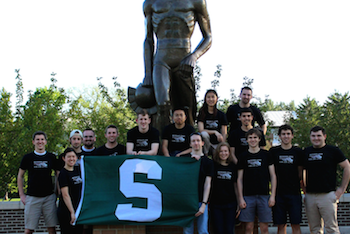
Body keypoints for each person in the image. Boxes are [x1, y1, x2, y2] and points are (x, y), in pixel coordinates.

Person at [138, 0, 212, 130]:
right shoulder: (150, 3)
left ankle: (190, 141)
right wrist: (148, 74)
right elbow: (148, 40)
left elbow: (208, 37)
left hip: (184, 58)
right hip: (161, 58)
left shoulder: (196, 2)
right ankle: (163, 144)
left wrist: (194, 56)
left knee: (187, 108)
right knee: (162, 104)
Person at [303, 126, 350, 234]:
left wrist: (341, 189)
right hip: (310, 196)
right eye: (313, 136)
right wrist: (304, 188)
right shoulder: (306, 151)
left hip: (328, 195)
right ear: (310, 137)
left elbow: (347, 167)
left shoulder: (333, 151)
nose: (316, 138)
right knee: (314, 229)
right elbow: (302, 171)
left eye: (319, 136)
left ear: (324, 136)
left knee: (331, 229)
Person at [17, 131, 59, 234]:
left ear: (45, 141)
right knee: (28, 230)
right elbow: (20, 176)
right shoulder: (28, 158)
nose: (40, 142)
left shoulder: (51, 157)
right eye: (37, 140)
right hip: (32, 197)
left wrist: (57, 192)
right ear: (33, 142)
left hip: (49, 198)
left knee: (52, 229)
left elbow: (58, 174)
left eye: (42, 139)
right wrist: (22, 195)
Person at [237, 128, 276, 234]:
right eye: (250, 138)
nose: (252, 140)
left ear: (259, 139)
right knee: (249, 228)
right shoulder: (242, 156)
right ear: (247, 140)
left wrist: (272, 196)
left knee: (264, 228)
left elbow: (273, 176)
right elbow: (239, 179)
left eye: (255, 137)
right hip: (248, 196)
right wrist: (240, 198)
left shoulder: (266, 155)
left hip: (264, 196)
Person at [269, 125, 303, 234]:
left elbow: (300, 172)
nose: (286, 136)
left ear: (292, 135)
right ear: (279, 136)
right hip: (279, 194)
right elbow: (271, 172)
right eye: (283, 134)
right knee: (281, 225)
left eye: (288, 134)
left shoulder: (298, 151)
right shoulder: (274, 151)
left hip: (294, 193)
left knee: (296, 225)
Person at [181, 132, 213, 234]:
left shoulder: (208, 162)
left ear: (202, 143)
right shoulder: (184, 160)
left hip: (201, 201)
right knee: (187, 231)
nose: (196, 143)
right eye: (193, 141)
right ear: (190, 144)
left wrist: (204, 204)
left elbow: (208, 184)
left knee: (203, 231)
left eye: (198, 141)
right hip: (187, 202)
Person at [210, 142, 238, 234]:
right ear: (218, 153)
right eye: (221, 151)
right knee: (218, 230)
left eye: (225, 151)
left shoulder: (233, 167)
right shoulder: (213, 165)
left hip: (231, 204)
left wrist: (238, 202)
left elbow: (235, 185)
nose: (223, 153)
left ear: (229, 152)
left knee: (229, 230)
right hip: (216, 205)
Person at [57, 148, 83, 234]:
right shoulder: (63, 173)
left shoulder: (78, 171)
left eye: (73, 156)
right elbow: (65, 195)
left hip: (77, 209)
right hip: (67, 211)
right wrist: (72, 212)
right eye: (69, 157)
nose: (71, 159)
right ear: (64, 158)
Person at [197, 89, 228, 155]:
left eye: (213, 97)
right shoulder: (202, 113)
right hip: (205, 144)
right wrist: (215, 132)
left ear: (217, 99)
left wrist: (223, 145)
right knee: (204, 134)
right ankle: (206, 155)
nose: (211, 99)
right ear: (205, 99)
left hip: (217, 143)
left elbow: (224, 132)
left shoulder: (221, 114)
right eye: (208, 97)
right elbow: (201, 130)